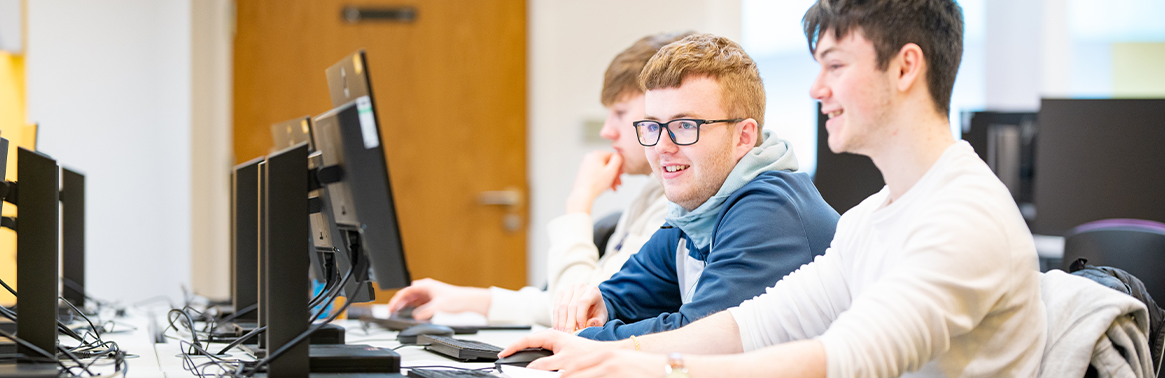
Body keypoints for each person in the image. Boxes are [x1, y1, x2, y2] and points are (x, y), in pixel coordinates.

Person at [499, 1, 1044, 377]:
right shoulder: (873, 216)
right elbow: (754, 324)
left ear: (905, 67)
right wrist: (611, 353)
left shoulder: (964, 216)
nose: (816, 88)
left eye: (834, 65)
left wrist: (634, 362)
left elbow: (846, 359)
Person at [386, 31, 690, 326]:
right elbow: (565, 302)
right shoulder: (651, 194)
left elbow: (580, 311)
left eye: (620, 113)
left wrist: (580, 201)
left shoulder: (674, 205)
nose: (607, 131)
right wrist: (466, 299)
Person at [550, 33, 839, 341]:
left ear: (744, 137)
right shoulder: (697, 209)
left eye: (685, 126)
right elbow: (622, 298)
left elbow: (696, 338)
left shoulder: (771, 209)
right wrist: (599, 306)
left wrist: (576, 341)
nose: (662, 146)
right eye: (652, 126)